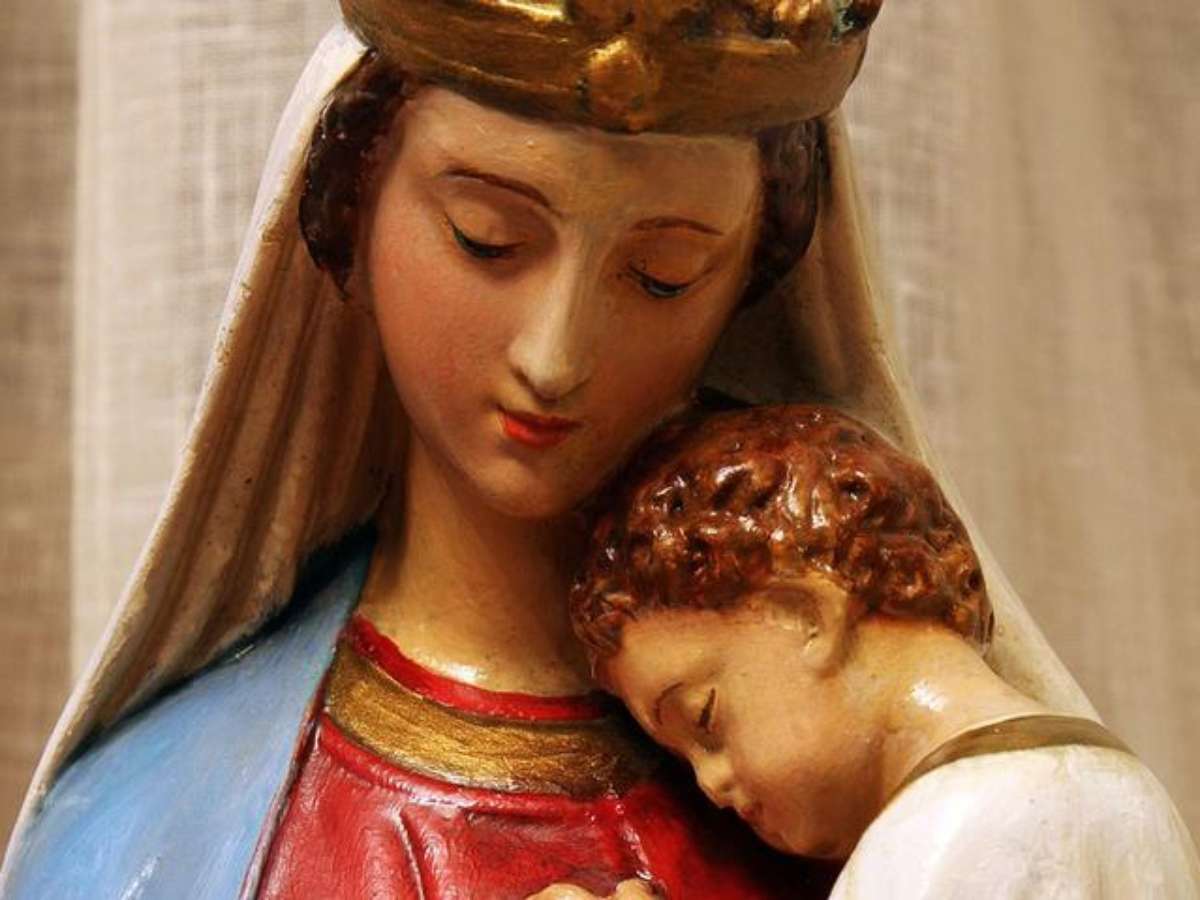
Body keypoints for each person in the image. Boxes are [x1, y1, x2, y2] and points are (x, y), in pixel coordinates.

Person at [1, 0, 1096, 897]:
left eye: (662, 274)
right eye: (488, 241)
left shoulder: (893, 807)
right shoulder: (155, 831)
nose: (555, 356)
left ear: (751, 283)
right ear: (346, 210)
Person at [568, 404, 1200, 898]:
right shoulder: (1126, 789)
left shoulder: (944, 834)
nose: (712, 784)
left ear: (801, 616)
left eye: (705, 718)